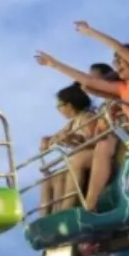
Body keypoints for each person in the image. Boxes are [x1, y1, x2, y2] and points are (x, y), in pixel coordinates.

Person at [34, 21, 129, 210]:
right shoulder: (122, 88)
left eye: (119, 60)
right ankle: (64, 213)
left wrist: (90, 32)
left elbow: (118, 47)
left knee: (105, 143)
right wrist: (54, 64)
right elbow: (88, 81)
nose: (117, 65)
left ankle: (90, 204)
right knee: (78, 159)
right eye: (114, 62)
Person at [39, 84, 102, 213]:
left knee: (63, 174)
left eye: (59, 106)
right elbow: (58, 136)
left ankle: (64, 210)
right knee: (49, 179)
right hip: (77, 157)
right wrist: (48, 140)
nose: (58, 110)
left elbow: (89, 140)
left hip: (91, 156)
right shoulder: (73, 122)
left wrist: (71, 139)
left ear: (69, 105)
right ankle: (47, 216)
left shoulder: (87, 117)